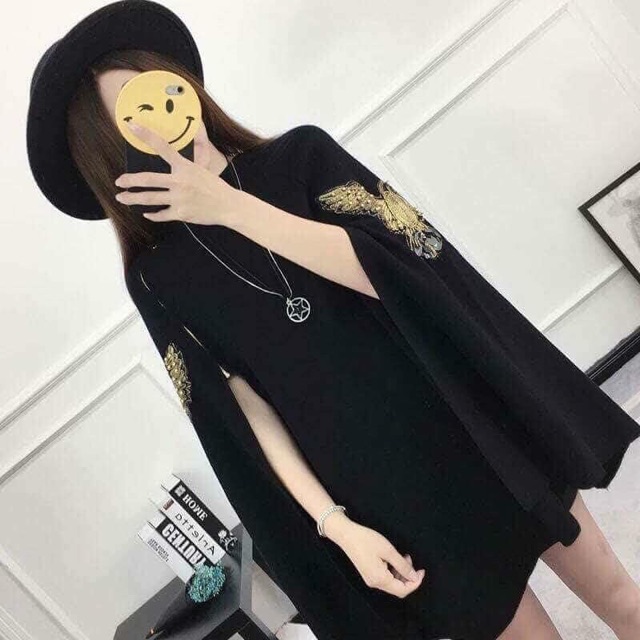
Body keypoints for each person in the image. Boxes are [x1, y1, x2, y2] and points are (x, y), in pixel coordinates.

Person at [26, 2, 640, 639]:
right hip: (392, 493)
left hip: (471, 418)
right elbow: (241, 410)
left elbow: (393, 272)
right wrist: (335, 524)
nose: (159, 121)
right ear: (110, 153)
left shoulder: (300, 158)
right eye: (133, 118)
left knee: (622, 602)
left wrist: (228, 207)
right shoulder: (156, 278)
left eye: (157, 90)